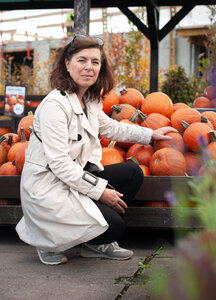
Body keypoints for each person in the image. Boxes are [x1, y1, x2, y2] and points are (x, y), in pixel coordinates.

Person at [15, 35, 176, 265]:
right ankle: (47, 239)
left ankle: (93, 244)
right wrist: (101, 192)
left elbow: (110, 127)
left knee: (133, 173)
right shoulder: (54, 106)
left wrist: (150, 135)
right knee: (115, 227)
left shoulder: (89, 100)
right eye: (82, 60)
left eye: (95, 62)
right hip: (49, 189)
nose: (89, 67)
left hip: (74, 180)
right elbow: (60, 165)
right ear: (67, 64)